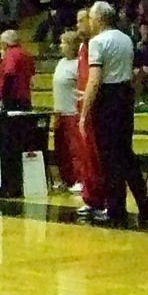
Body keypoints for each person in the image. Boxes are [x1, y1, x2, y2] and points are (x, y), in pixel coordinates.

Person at [79, 1, 148, 226]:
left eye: (91, 18)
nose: (90, 22)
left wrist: (84, 114)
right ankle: (144, 204)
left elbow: (95, 79)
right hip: (125, 97)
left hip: (108, 101)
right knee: (126, 154)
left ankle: (115, 208)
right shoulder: (126, 39)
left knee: (109, 158)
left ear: (100, 19)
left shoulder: (97, 42)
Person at [73, 7, 106, 219]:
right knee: (86, 156)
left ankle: (101, 199)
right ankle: (90, 197)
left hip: (94, 107)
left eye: (80, 21)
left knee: (96, 156)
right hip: (82, 105)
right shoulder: (83, 47)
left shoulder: (97, 45)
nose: (77, 26)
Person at [51, 30, 84, 192]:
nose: (61, 46)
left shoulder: (78, 64)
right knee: (61, 149)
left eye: (64, 43)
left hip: (72, 112)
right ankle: (66, 178)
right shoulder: (61, 62)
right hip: (59, 112)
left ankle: (80, 179)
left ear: (72, 45)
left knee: (75, 149)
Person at [0, 29, 35, 111]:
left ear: (5, 43)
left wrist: (2, 93)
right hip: (25, 95)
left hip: (13, 98)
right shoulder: (26, 53)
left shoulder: (10, 54)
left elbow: (9, 73)